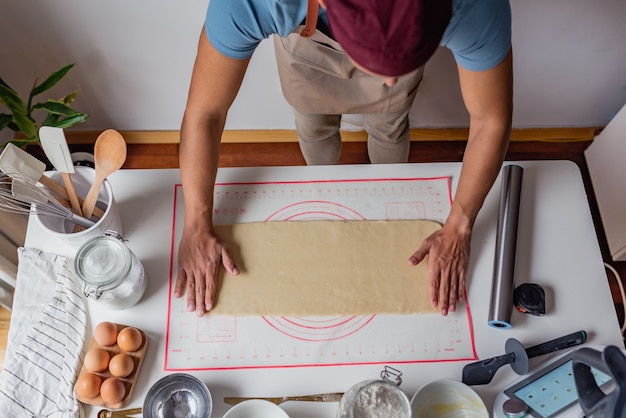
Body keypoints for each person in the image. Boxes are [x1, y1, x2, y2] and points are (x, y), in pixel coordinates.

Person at [175, 0, 513, 317]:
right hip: (306, 74)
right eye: (377, 63)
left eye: (401, 64)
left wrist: (460, 225)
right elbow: (205, 113)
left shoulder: (473, 6)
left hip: (390, 110)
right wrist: (196, 223)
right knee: (315, 130)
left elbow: (490, 120)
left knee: (389, 129)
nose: (390, 80)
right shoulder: (259, 3)